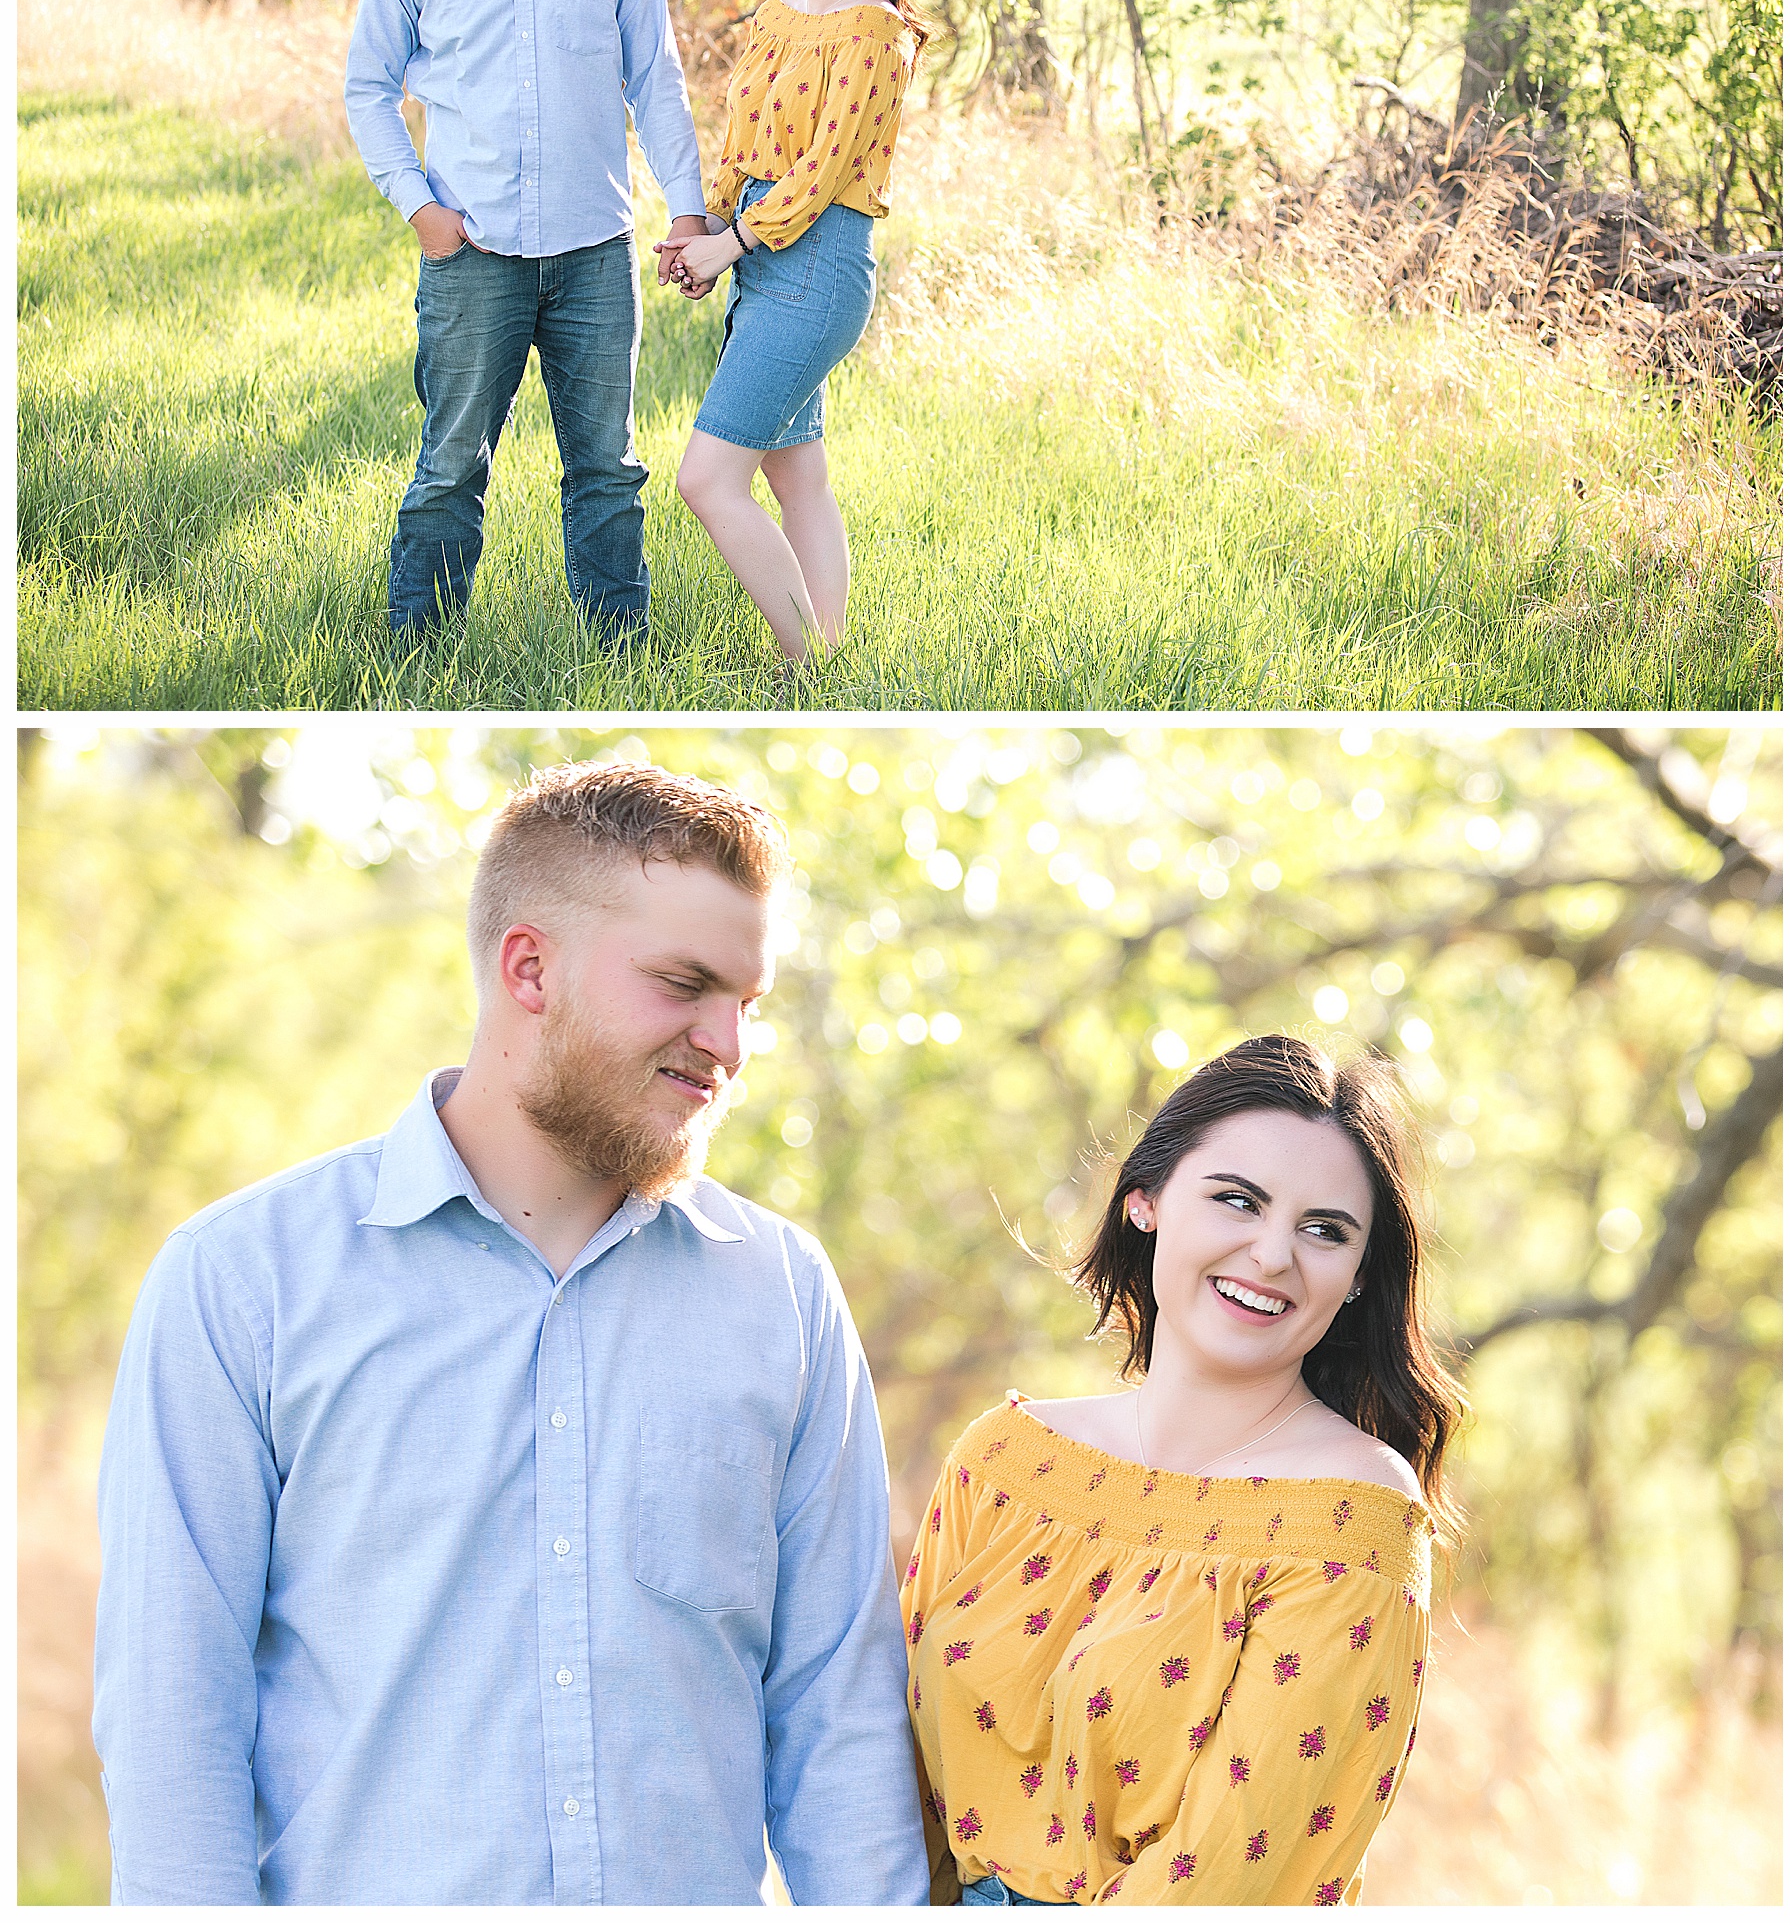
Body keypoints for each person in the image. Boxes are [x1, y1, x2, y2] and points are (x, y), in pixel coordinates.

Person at [92, 760, 930, 1906]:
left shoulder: (782, 1292)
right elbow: (170, 1711)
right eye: (685, 984)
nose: (728, 1043)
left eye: (749, 1000)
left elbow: (838, 1715)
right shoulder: (243, 1281)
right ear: (528, 967)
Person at [903, 1035, 1466, 1907]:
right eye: (1239, 1200)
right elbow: (878, 1768)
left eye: (1325, 1230)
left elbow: (1229, 1875)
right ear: (1145, 1199)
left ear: (1357, 1277)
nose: (1274, 1254)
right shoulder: (1007, 1462)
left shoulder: (1353, 1522)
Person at [345, 0, 713, 645]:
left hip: (594, 246)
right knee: (449, 466)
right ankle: (417, 656)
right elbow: (367, 89)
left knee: (607, 467)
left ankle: (619, 656)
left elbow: (656, 79)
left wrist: (690, 206)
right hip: (471, 252)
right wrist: (419, 209)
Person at [652, 0, 926, 667]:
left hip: (817, 263)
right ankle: (831, 659)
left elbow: (824, 169)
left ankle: (801, 660)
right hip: (755, 247)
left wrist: (728, 246)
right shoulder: (779, 14)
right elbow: (742, 141)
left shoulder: (878, 31)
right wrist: (701, 234)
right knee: (794, 473)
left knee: (706, 480)